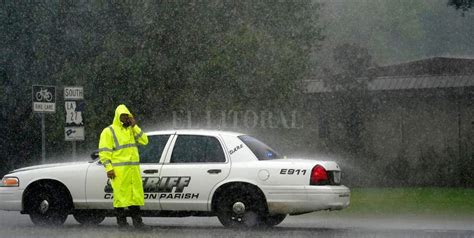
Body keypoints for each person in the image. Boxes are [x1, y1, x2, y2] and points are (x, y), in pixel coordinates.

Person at [98, 104, 148, 229]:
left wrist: (134, 126)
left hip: (133, 171)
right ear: (118, 117)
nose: (126, 118)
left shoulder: (131, 129)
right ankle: (122, 223)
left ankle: (138, 222)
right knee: (120, 198)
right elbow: (104, 153)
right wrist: (109, 169)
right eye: (123, 116)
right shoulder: (108, 131)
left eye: (127, 116)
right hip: (119, 172)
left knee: (134, 197)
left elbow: (144, 140)